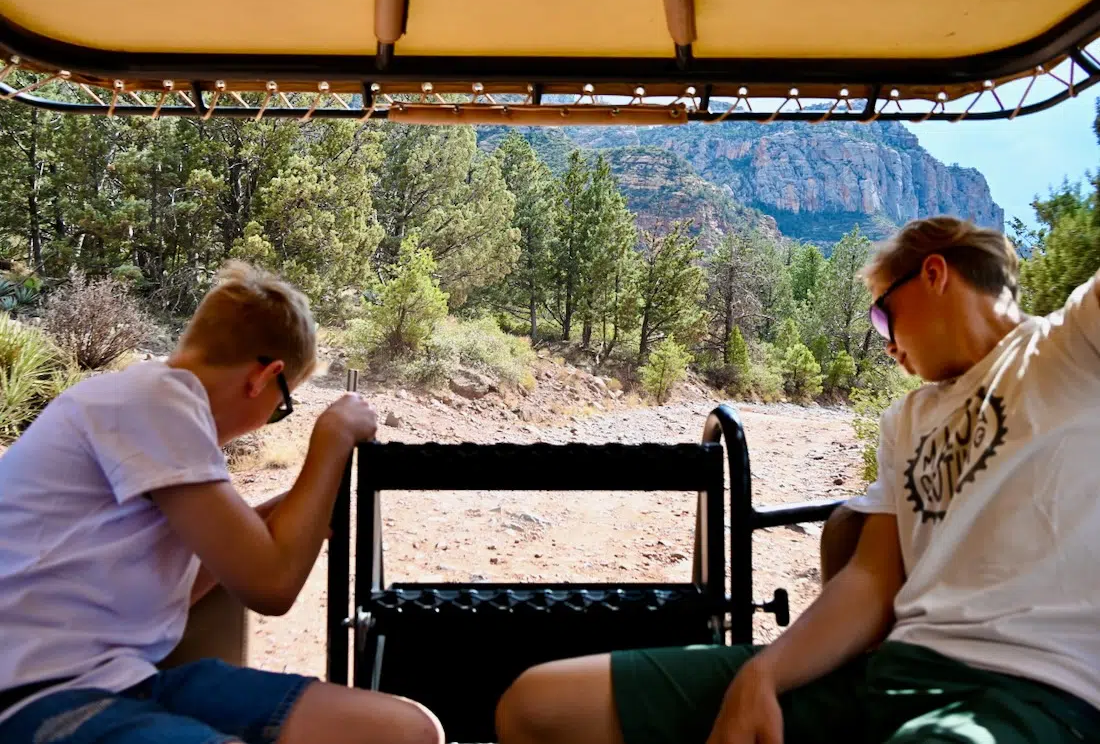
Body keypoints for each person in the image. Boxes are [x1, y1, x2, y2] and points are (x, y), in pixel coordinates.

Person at [494, 216, 1100, 744]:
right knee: (540, 707)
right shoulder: (908, 418)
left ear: (935, 274)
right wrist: (763, 674)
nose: (885, 345)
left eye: (882, 316)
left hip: (1028, 692)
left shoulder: (1070, 350)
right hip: (885, 676)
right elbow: (870, 579)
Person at [0, 261, 444, 744]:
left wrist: (280, 513)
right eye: (280, 408)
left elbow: (177, 591)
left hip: (129, 679)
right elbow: (271, 588)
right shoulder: (154, 398)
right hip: (36, 693)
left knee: (407, 731)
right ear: (264, 377)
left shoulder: (142, 405)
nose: (266, 420)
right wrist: (334, 435)